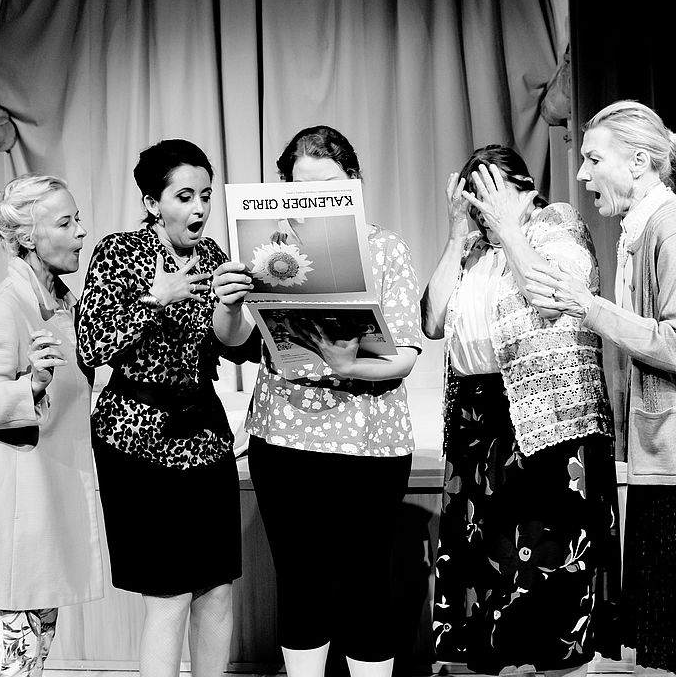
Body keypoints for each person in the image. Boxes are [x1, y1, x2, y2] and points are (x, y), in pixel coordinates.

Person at [211, 125, 423, 677]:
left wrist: (348, 365)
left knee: (365, 583)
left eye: (329, 187)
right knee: (300, 580)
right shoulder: (269, 251)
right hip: (283, 437)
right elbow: (238, 341)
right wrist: (228, 305)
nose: (315, 201)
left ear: (354, 183)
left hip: (369, 443)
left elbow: (404, 355)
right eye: (301, 189)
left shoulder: (385, 248)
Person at [421, 145, 621, 677]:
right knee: (487, 569)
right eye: (474, 198)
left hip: (548, 421)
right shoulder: (470, 250)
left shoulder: (557, 226)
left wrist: (510, 226)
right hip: (477, 423)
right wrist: (456, 234)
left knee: (549, 564)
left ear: (527, 189)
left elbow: (550, 295)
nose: (483, 208)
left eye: (492, 193)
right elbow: (432, 323)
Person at [76, 139, 257, 677]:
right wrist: (157, 299)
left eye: (205, 195)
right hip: (136, 438)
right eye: (184, 196)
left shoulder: (214, 258)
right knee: (169, 594)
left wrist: (231, 307)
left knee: (217, 589)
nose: (199, 207)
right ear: (153, 203)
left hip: (203, 436)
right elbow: (92, 344)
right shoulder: (119, 252)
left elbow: (236, 347)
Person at [525, 100, 676, 673]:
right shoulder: (638, 230)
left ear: (639, 161)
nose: (583, 175)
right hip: (656, 455)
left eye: (594, 160)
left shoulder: (667, 226)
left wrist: (587, 306)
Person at [0, 174, 103, 676]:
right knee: (11, 669)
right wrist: (32, 384)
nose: (80, 232)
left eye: (78, 219)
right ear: (27, 237)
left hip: (46, 519)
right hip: (13, 528)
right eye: (65, 223)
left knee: (31, 663)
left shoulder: (65, 307)